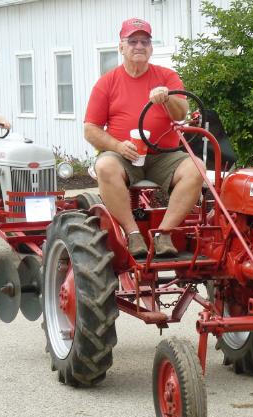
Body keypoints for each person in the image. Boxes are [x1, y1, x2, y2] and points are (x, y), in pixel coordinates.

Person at [83, 17, 203, 258]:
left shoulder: (167, 77)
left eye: (144, 41)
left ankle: (164, 234)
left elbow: (181, 114)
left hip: (164, 156)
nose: (139, 46)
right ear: (121, 47)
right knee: (105, 165)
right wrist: (117, 146)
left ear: (151, 48)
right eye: (133, 41)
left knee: (197, 169)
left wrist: (167, 97)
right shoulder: (107, 83)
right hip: (124, 156)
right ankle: (133, 234)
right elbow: (91, 129)